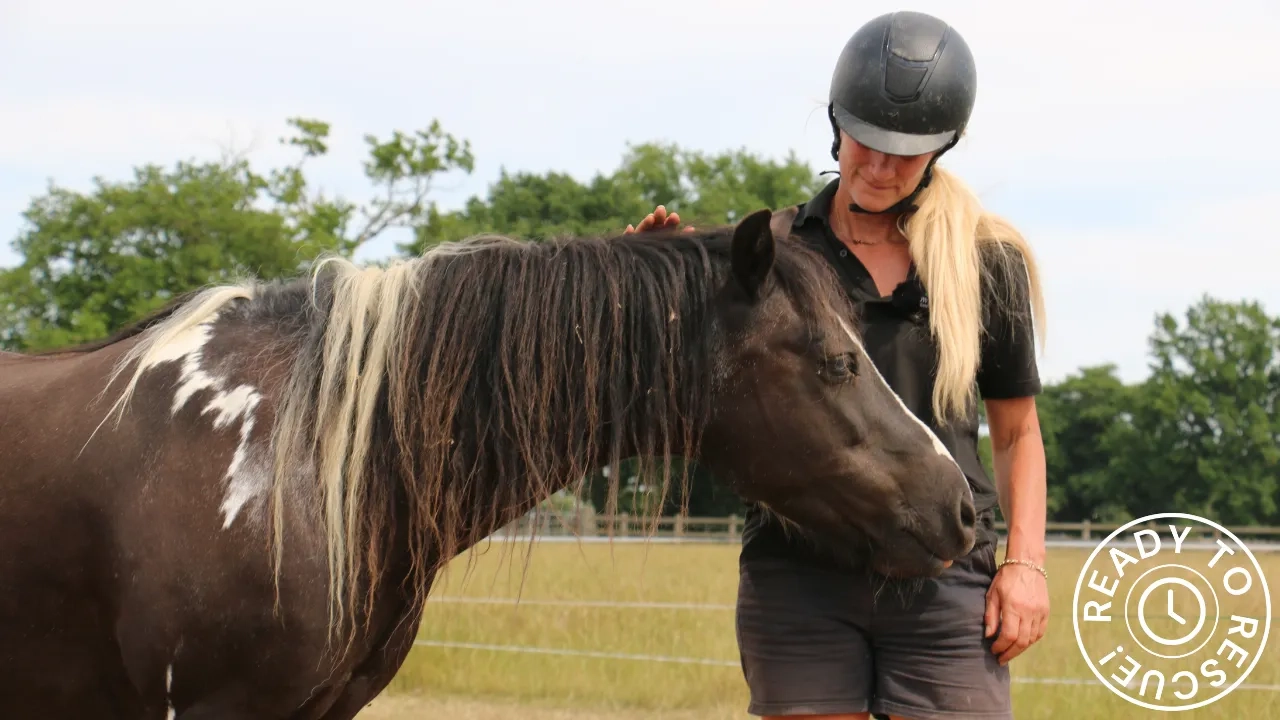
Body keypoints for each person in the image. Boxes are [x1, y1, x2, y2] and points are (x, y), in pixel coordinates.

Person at [625, 10, 1050, 720]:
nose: (879, 168)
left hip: (945, 568)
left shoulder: (983, 262)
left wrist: (1026, 567)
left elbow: (1017, 435)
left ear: (940, 150)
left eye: (904, 153)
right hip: (802, 574)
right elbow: (676, 371)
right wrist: (648, 279)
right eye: (866, 143)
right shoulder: (776, 252)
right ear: (836, 123)